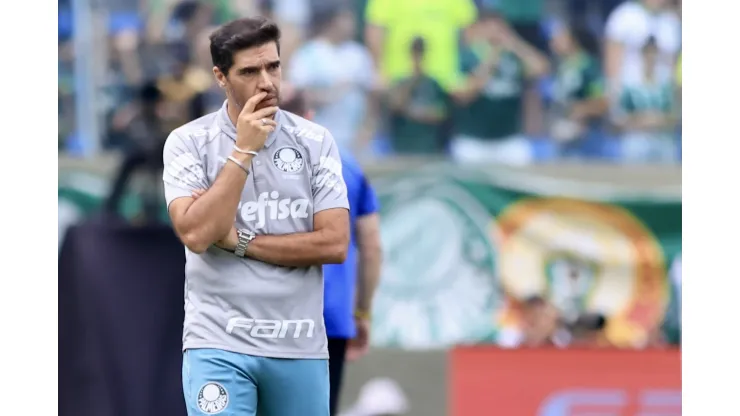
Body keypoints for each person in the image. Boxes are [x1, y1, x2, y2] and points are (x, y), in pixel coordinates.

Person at [161, 17, 350, 416]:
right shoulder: (188, 143)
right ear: (221, 77)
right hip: (218, 342)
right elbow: (196, 233)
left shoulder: (316, 142)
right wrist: (243, 151)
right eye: (250, 71)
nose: (267, 81)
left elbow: (334, 243)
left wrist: (240, 241)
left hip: (298, 344)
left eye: (274, 67)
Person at [450, 10, 549, 165]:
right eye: (491, 28)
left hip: (509, 140)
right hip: (473, 141)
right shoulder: (466, 57)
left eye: (500, 29)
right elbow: (463, 96)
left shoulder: (513, 57)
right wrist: (492, 58)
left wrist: (515, 44)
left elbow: (542, 68)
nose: (495, 34)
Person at [288, 4, 377, 151]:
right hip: (317, 138)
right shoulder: (308, 53)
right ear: (331, 22)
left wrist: (367, 129)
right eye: (346, 18)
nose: (352, 23)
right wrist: (330, 94)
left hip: (354, 140)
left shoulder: (359, 54)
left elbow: (371, 96)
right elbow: (298, 95)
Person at [612, 37, 679, 163]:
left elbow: (675, 114)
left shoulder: (665, 83)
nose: (651, 57)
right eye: (648, 52)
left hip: (662, 139)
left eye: (654, 52)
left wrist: (659, 120)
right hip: (637, 139)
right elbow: (619, 117)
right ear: (642, 54)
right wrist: (643, 119)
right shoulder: (630, 83)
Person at [548, 22, 608, 159]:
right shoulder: (561, 66)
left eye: (560, 36)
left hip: (586, 136)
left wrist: (579, 110)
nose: (554, 40)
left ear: (573, 41)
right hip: (563, 135)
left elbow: (602, 102)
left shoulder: (588, 67)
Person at [386, 37, 449, 155]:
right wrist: (414, 77)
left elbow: (441, 114)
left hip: (429, 148)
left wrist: (415, 112)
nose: (418, 56)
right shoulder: (400, 82)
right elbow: (396, 106)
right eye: (415, 52)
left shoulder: (433, 84)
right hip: (403, 149)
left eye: (421, 52)